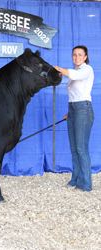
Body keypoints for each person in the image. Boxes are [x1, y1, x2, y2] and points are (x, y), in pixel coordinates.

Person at [54, 45, 94, 191]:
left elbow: (74, 76)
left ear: (85, 57)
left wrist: (58, 68)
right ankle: (76, 179)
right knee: (74, 148)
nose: (76, 57)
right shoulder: (76, 71)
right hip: (73, 110)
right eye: (74, 55)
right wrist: (69, 112)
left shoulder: (86, 70)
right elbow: (75, 94)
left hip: (83, 109)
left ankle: (85, 184)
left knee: (81, 148)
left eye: (79, 55)